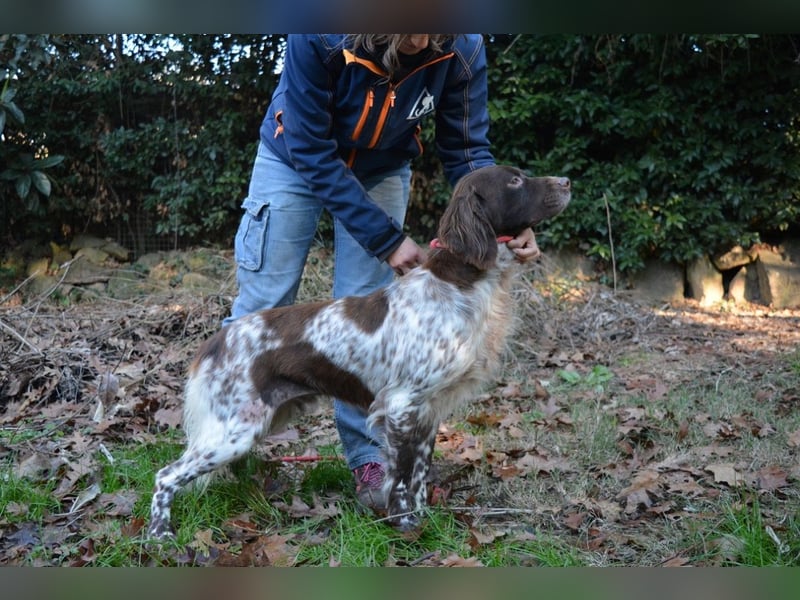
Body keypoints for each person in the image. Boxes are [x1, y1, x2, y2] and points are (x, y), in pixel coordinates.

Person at [224, 34, 540, 511]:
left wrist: (513, 223)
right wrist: (386, 238)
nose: (422, 40)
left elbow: (469, 153)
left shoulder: (465, 49)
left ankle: (369, 461)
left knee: (369, 318)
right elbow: (311, 148)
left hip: (381, 170)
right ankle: (225, 448)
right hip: (293, 160)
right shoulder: (318, 33)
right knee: (263, 305)